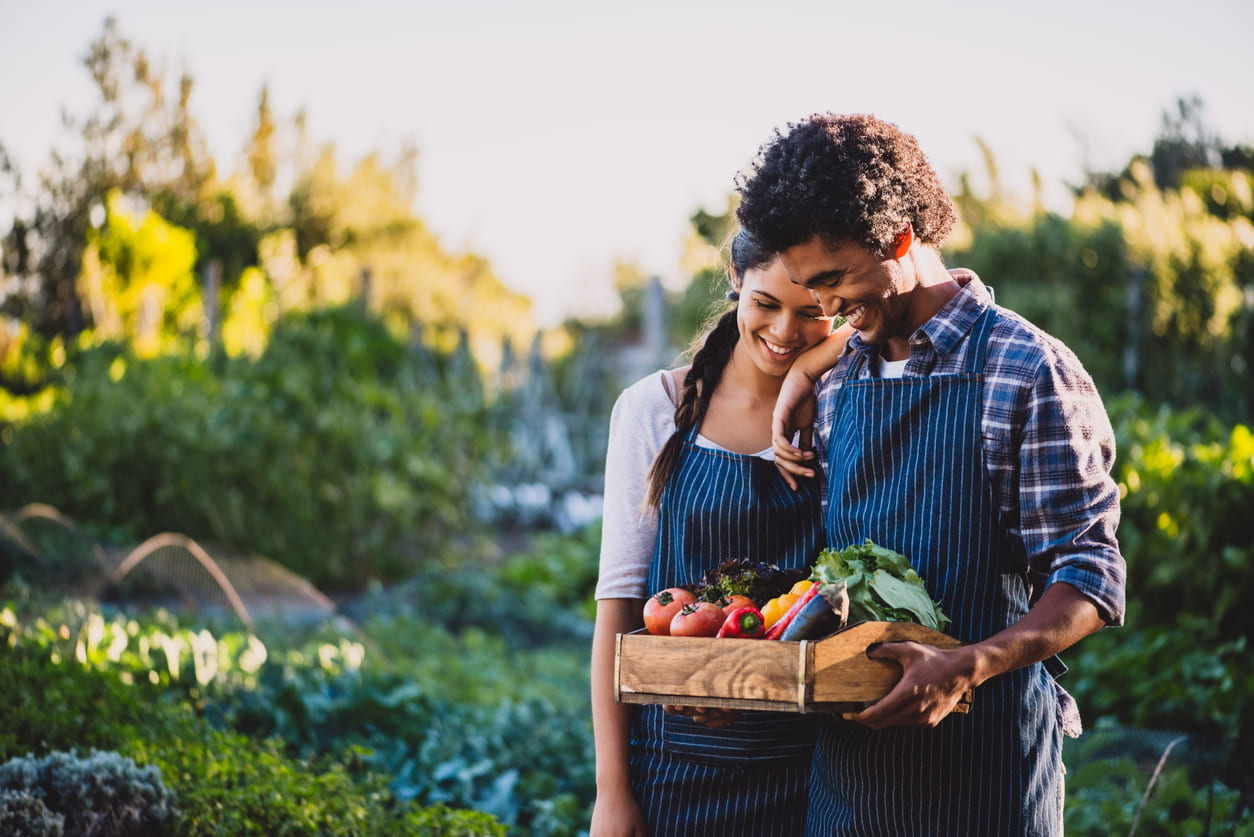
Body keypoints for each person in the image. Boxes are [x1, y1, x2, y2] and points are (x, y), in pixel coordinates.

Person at [734, 113, 1127, 836]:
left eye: (834, 280)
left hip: (986, 785)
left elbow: (1090, 578)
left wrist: (969, 665)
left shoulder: (1026, 369)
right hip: (847, 794)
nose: (823, 309)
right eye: (806, 287)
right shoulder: (838, 378)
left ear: (902, 236)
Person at [589, 229, 851, 837]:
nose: (785, 332)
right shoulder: (652, 408)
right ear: (736, 278)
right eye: (765, 304)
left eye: (811, 313)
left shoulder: (843, 409)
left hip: (816, 768)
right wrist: (612, 792)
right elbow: (619, 609)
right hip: (677, 767)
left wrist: (812, 370)